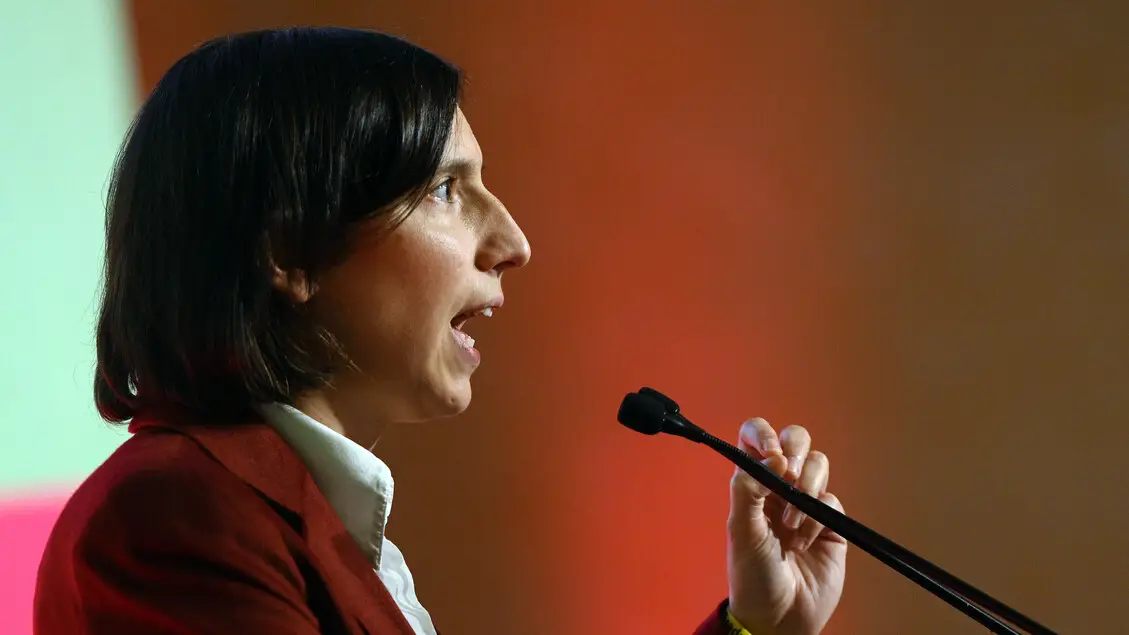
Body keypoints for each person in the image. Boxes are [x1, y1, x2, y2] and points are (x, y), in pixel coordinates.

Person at [33, 27, 847, 635]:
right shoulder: (172, 518)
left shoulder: (309, 520)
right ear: (291, 253)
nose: (513, 242)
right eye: (446, 191)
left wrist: (754, 629)